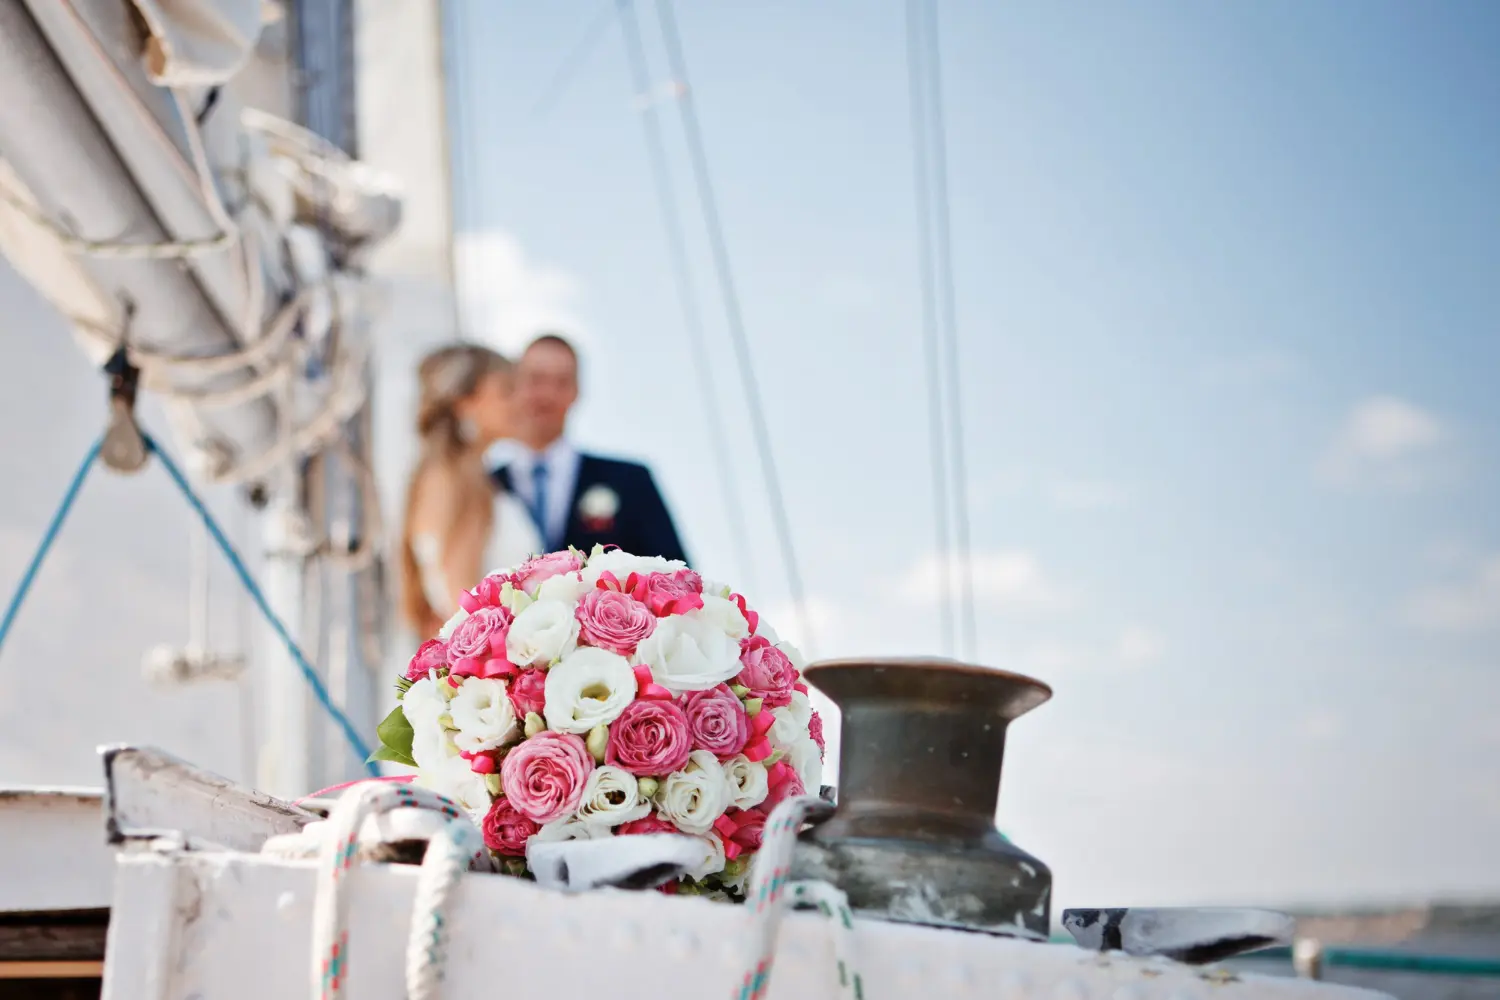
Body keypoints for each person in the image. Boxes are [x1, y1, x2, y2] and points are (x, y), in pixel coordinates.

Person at [488, 334, 689, 563]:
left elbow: (675, 574)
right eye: (536, 380)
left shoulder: (631, 480)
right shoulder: (484, 487)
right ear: (513, 387)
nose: (547, 395)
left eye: (562, 382)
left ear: (577, 392)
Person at [400, 344, 542, 636]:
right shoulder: (452, 481)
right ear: (465, 403)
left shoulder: (472, 480)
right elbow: (462, 603)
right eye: (506, 391)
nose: (520, 402)